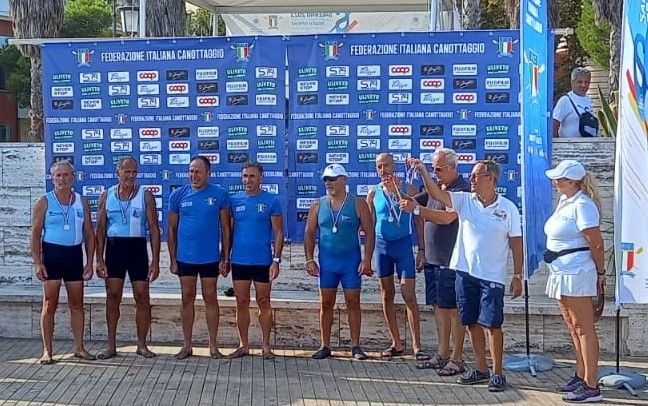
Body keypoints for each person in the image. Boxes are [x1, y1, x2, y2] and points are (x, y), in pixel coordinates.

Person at [407, 158, 523, 392]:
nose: (471, 179)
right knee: (470, 322)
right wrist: (423, 172)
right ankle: (481, 369)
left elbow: (517, 243)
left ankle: (498, 373)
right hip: (465, 273)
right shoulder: (465, 200)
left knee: (493, 325)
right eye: (470, 175)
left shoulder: (508, 208)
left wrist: (518, 275)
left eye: (476, 175)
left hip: (492, 276)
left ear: (490, 178)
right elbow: (437, 195)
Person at [400, 148, 469, 375]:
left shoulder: (461, 188)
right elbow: (408, 201)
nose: (436, 173)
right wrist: (395, 184)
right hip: (433, 257)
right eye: (433, 169)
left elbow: (448, 217)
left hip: (451, 259)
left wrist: (418, 209)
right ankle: (442, 353)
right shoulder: (435, 188)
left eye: (439, 169)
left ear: (453, 167)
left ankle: (457, 358)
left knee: (454, 310)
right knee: (438, 306)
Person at [544, 160, 605, 403]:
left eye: (559, 178)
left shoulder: (583, 205)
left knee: (584, 327)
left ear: (571, 181)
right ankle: (581, 376)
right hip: (561, 270)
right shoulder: (565, 202)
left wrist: (601, 273)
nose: (555, 182)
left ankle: (592, 385)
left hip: (577, 271)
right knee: (572, 325)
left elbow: (596, 243)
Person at [304, 164, 375, 360]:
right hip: (327, 264)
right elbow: (309, 233)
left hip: (350, 263)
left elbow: (369, 233)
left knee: (353, 302)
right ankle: (325, 345)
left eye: (333, 178)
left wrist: (367, 259)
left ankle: (356, 346)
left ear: (344, 179)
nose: (329, 182)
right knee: (326, 303)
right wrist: (309, 259)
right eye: (326, 179)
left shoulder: (358, 203)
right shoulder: (318, 204)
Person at [30, 160, 96, 364]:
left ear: (73, 178)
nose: (62, 179)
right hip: (52, 256)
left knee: (77, 304)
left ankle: (79, 348)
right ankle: (47, 351)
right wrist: (38, 262)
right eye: (58, 176)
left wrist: (90, 262)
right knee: (50, 303)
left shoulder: (82, 201)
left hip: (74, 256)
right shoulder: (45, 201)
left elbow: (89, 234)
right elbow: (35, 234)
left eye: (66, 175)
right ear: (52, 178)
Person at [95, 157, 160, 359]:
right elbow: (100, 230)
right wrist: (99, 259)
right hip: (115, 250)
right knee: (113, 297)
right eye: (127, 172)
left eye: (134, 172)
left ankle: (142, 345)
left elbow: (154, 230)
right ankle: (111, 346)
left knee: (142, 297)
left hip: (137, 250)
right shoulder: (106, 196)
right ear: (118, 173)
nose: (131, 176)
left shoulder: (145, 195)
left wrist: (156, 260)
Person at [168, 155, 231, 359]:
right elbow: (171, 229)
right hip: (185, 257)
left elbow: (226, 228)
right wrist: (172, 258)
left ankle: (213, 346)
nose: (194, 175)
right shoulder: (178, 195)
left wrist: (225, 257)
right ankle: (187, 345)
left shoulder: (220, 194)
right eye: (191, 171)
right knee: (187, 298)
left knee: (210, 298)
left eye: (198, 171)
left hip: (210, 258)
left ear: (208, 173)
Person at [366, 153, 427, 360]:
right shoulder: (373, 193)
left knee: (408, 294)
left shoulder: (408, 189)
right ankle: (397, 342)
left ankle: (417, 345)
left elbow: (419, 220)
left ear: (395, 167)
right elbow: (369, 227)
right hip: (382, 248)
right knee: (387, 294)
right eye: (379, 167)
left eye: (387, 166)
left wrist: (421, 250)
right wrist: (366, 258)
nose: (383, 170)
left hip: (403, 246)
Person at [225, 161, 283, 360]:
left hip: (262, 261)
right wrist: (225, 257)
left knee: (264, 301)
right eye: (245, 176)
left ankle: (266, 346)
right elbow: (228, 232)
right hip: (239, 261)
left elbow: (278, 233)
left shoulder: (271, 201)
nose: (248, 180)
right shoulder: (234, 201)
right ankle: (243, 345)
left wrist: (276, 260)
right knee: (241, 301)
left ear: (261, 178)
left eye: (252, 176)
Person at [553, 67, 596, 138]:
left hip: (588, 145)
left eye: (586, 82)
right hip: (568, 146)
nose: (583, 85)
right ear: (572, 82)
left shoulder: (589, 100)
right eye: (580, 82)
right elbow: (554, 125)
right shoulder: (565, 100)